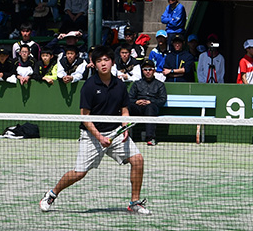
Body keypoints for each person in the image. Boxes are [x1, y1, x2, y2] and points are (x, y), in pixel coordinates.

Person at [39, 46, 150, 216]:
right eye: (99, 61)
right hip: (92, 135)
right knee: (79, 173)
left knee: (138, 160)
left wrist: (124, 125)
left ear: (112, 62)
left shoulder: (119, 85)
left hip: (115, 133)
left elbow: (124, 109)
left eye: (106, 60)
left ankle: (134, 203)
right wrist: (99, 137)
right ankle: (51, 194)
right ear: (94, 64)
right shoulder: (89, 86)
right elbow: (85, 117)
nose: (103, 64)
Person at [128, 62, 167, 145]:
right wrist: (136, 101)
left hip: (152, 108)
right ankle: (127, 136)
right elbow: (129, 98)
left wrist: (151, 102)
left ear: (154, 71)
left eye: (150, 69)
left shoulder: (160, 85)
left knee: (150, 108)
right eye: (145, 69)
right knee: (128, 107)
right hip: (138, 108)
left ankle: (150, 138)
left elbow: (162, 100)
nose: (147, 71)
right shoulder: (136, 84)